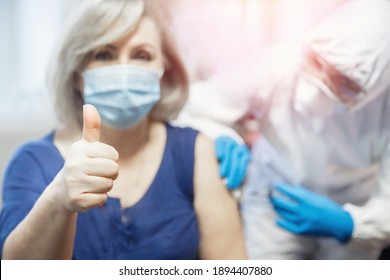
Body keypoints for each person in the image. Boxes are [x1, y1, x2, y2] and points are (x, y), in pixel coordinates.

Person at [0, 0, 246, 260]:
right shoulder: (33, 163)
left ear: (164, 70)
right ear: (76, 74)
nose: (125, 70)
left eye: (142, 55)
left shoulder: (196, 153)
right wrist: (58, 200)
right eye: (104, 54)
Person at [177, 0, 390, 259]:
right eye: (316, 61)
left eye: (343, 81)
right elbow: (192, 106)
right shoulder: (279, 62)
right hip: (273, 199)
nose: (318, 83)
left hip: (355, 208)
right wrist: (219, 135)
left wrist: (353, 224)